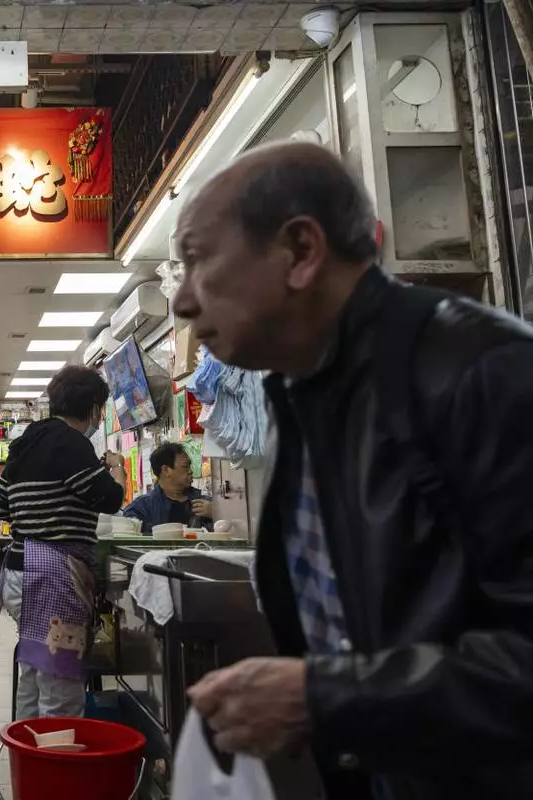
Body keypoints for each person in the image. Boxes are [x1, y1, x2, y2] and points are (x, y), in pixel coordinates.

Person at [174, 141, 533, 798]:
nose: (182, 301)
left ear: (302, 252)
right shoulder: (303, 394)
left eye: (197, 259)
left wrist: (326, 697)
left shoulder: (481, 374)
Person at [0, 365, 126, 719]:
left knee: (35, 673)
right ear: (94, 407)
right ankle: (56, 767)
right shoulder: (73, 444)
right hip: (54, 579)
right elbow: (109, 498)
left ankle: (28, 762)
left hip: (21, 573)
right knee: (61, 688)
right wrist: (118, 469)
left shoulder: (25, 443)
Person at [121, 442, 212, 528]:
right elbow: (127, 532)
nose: (190, 471)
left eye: (190, 466)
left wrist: (215, 513)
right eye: (185, 466)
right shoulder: (142, 507)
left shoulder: (204, 503)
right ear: (166, 470)